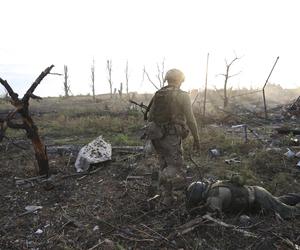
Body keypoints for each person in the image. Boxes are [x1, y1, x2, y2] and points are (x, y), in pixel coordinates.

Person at [144, 68, 200, 206]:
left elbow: (150, 117)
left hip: (156, 135)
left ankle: (167, 198)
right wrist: (197, 139)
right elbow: (191, 120)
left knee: (164, 164)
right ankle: (158, 179)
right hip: (171, 136)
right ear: (180, 80)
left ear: (167, 79)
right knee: (176, 164)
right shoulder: (183, 95)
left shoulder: (158, 94)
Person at [186, 178, 300, 219]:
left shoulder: (214, 196)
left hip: (258, 199)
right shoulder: (213, 185)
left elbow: (212, 218)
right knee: (279, 201)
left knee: (289, 212)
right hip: (257, 194)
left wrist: (197, 212)